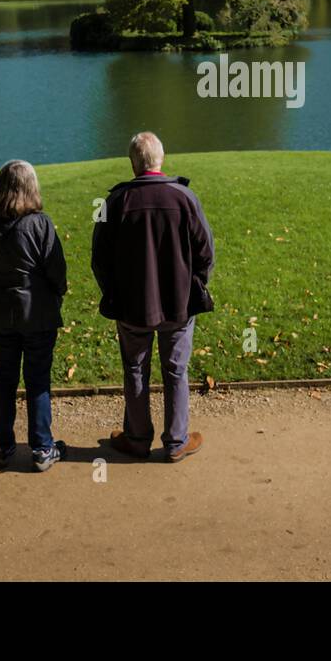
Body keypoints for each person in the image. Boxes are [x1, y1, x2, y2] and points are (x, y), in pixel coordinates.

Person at [92, 132, 214, 462]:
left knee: (135, 368)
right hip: (178, 302)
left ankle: (137, 437)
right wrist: (195, 286)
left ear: (133, 163)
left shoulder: (113, 202)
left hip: (132, 305)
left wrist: (113, 293)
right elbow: (206, 252)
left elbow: (99, 258)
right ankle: (176, 442)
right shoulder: (185, 198)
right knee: (176, 370)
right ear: (161, 159)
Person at [0, 160, 68, 472]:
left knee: (4, 379)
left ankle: (1, 445)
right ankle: (41, 447)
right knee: (37, 380)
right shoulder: (40, 224)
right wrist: (56, 292)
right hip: (36, 313)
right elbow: (57, 273)